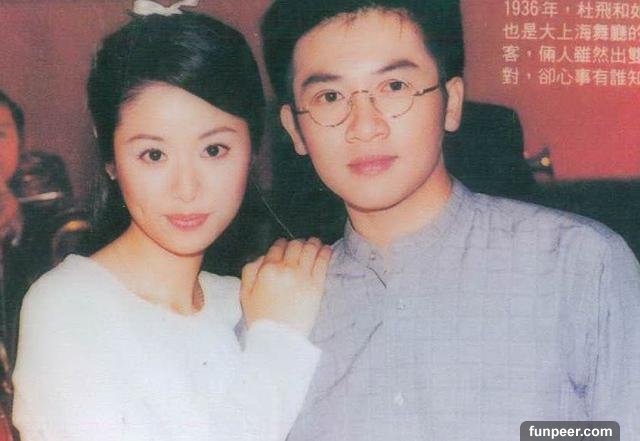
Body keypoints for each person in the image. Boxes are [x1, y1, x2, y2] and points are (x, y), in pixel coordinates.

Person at [260, 0, 640, 440]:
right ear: (295, 129)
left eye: (395, 86)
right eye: (329, 97)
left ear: (451, 103)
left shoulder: (578, 264)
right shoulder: (279, 315)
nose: (364, 126)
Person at [12, 7, 331, 441]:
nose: (186, 188)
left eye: (214, 150)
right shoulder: (68, 305)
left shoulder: (250, 298)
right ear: (110, 159)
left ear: (253, 148)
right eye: (154, 155)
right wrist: (277, 339)